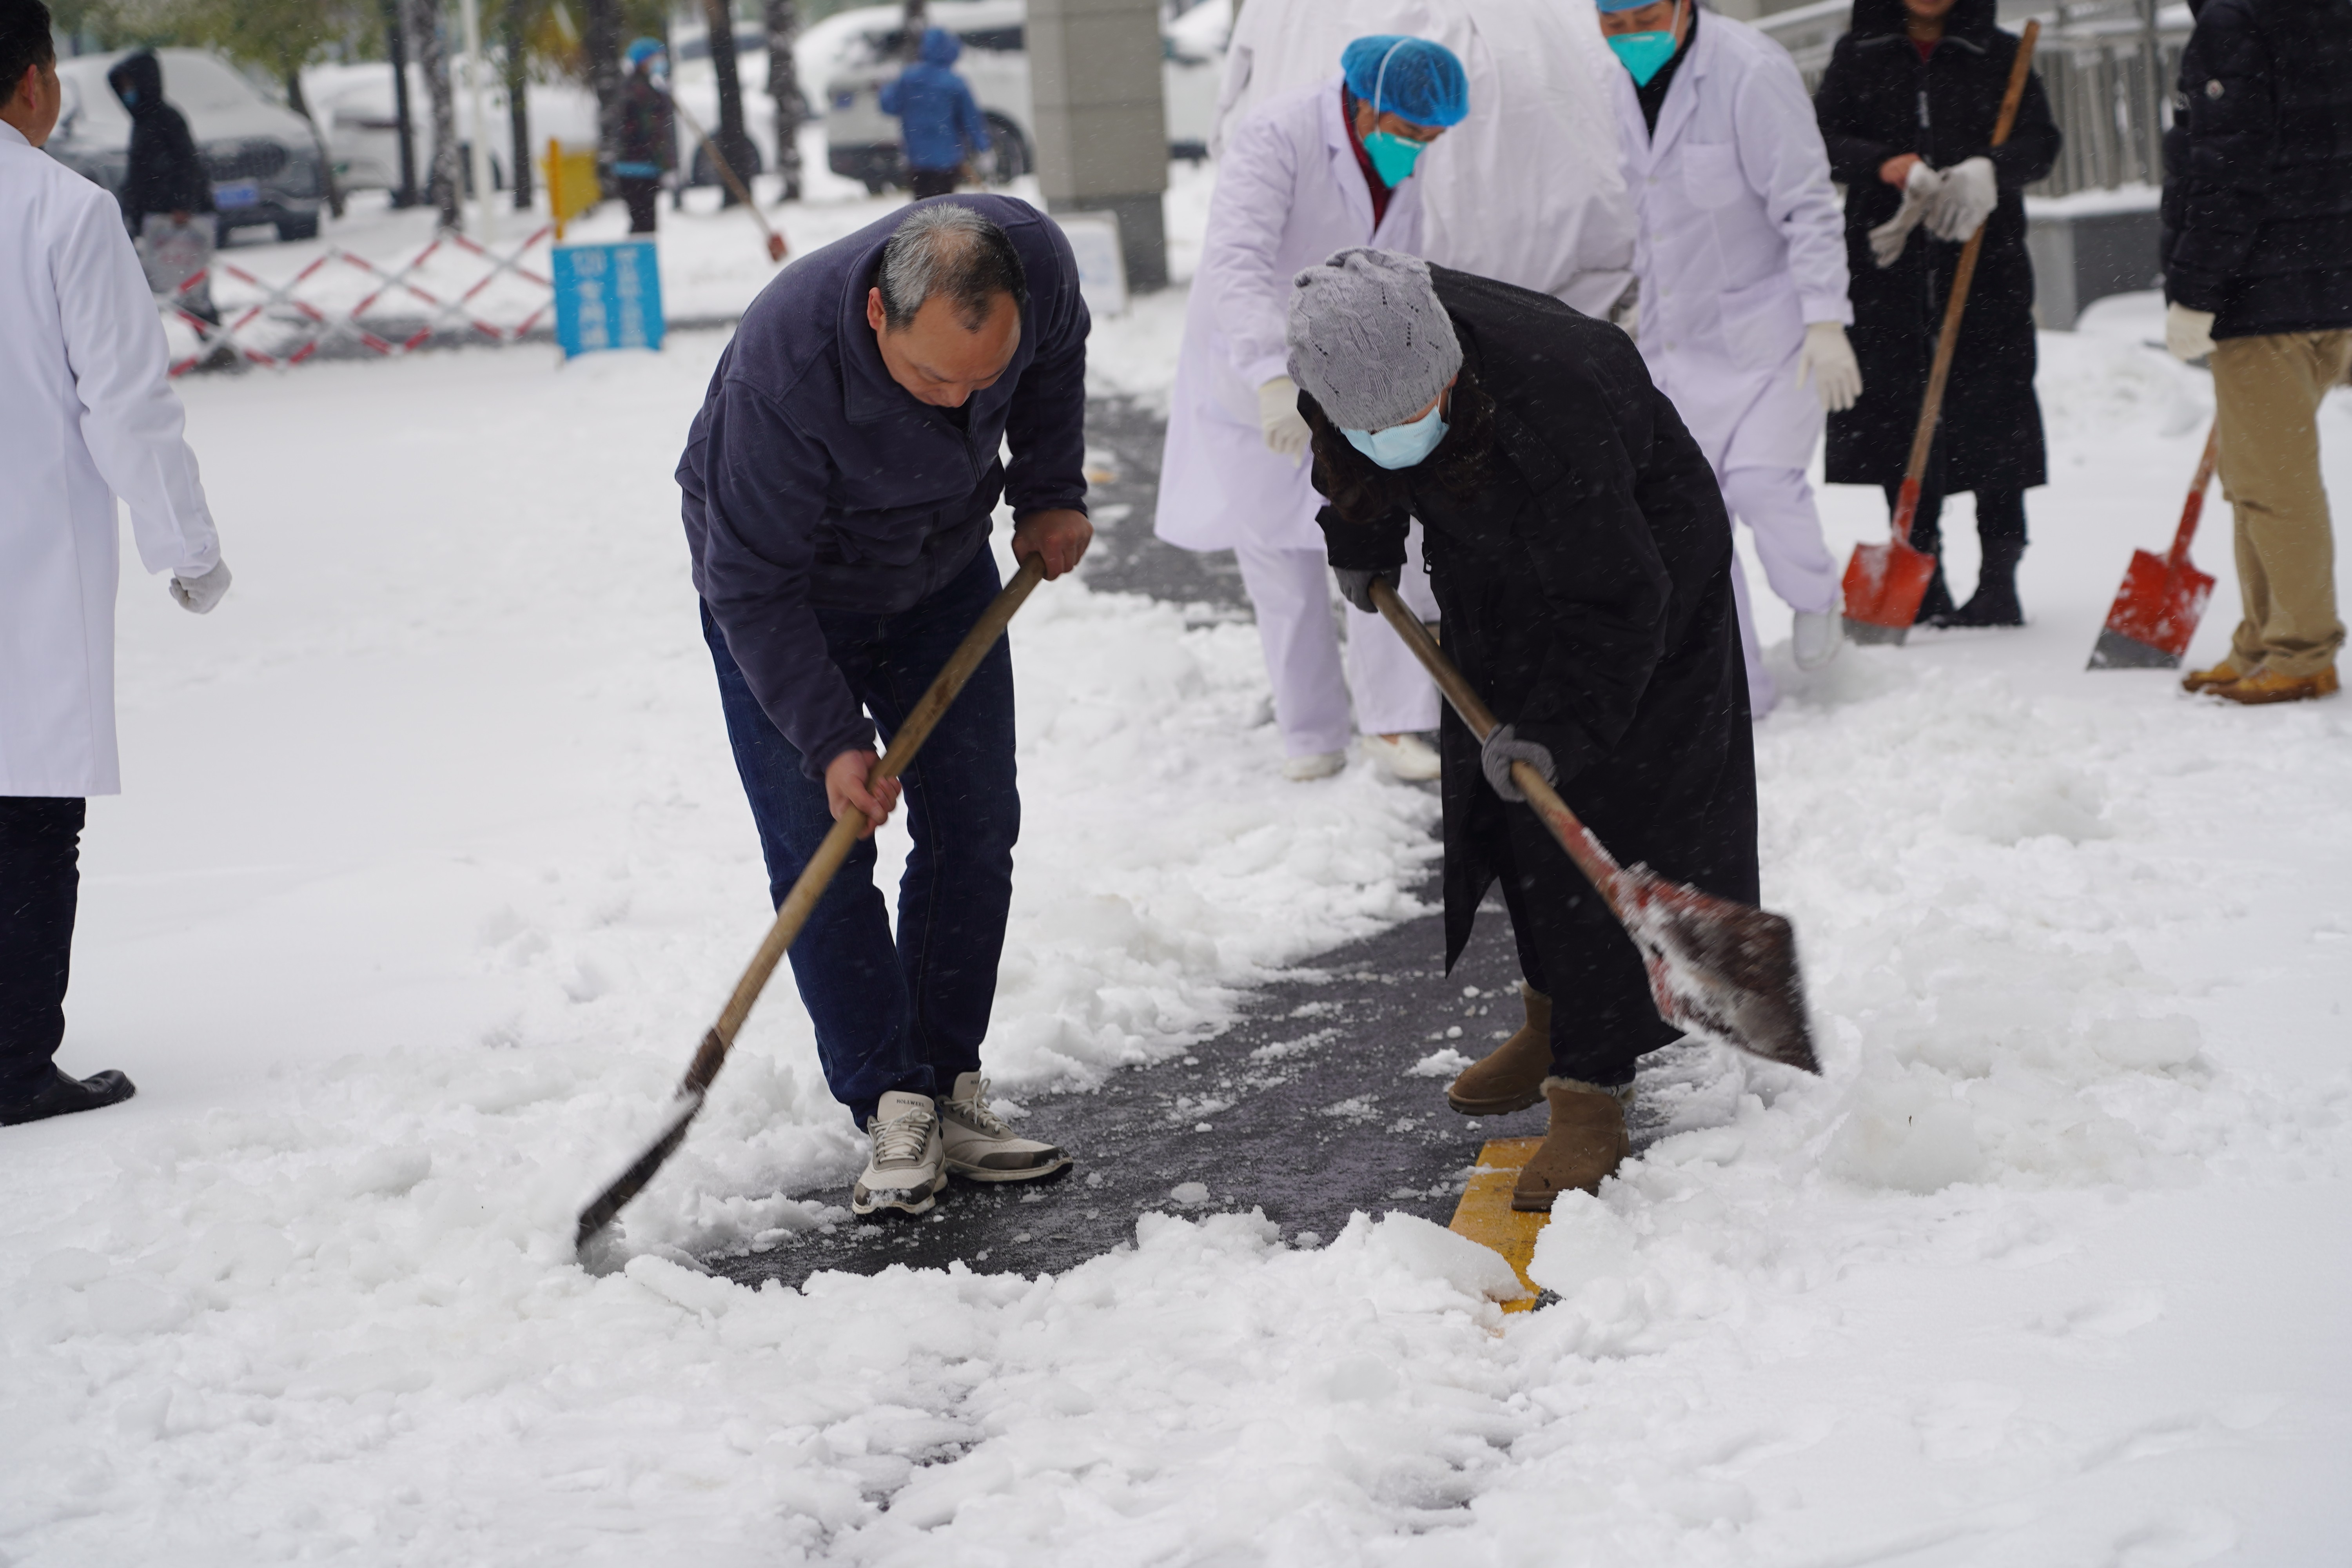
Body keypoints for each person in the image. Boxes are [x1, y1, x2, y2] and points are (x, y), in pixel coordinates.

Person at [1289, 248, 1757, 1210]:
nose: (1389, 436)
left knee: (1601, 797)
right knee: (1501, 800)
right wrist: (1365, 536)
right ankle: (1553, 1015)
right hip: (1490, 547)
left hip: (1640, 577)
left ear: (1449, 369)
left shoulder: (1560, 390)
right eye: (1370, 428)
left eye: (1407, 418)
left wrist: (1564, 725)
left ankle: (1593, 1086)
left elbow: (1622, 600)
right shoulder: (1344, 349)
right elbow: (1345, 455)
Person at [677, 198, 1088, 1218]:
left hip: (941, 569)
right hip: (788, 597)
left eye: (977, 380)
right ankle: (889, 1099)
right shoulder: (787, 374)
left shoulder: (1035, 264)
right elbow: (751, 591)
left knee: (976, 818)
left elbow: (1055, 366)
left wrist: (1047, 488)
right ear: (876, 315)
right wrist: (831, 740)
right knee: (822, 844)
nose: (958, 404)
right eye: (931, 379)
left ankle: (948, 1085)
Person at [2, 0, 232, 1128]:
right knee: (32, 809)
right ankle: (12, 1059)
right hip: (27, 558)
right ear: (37, 83)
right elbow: (126, 401)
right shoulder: (60, 210)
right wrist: (185, 547)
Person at [1156, 36, 1468, 782]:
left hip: (1353, 373)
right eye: (1411, 134)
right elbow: (1238, 262)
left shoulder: (1399, 155)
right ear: (1366, 106)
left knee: (1377, 531)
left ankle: (1394, 725)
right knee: (1280, 557)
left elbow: (1400, 265)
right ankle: (1312, 733)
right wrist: (1270, 375)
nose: (1418, 151)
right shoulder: (1278, 135)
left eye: (1432, 140)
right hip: (1251, 372)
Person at [1599, 0, 1859, 715]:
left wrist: (1826, 319)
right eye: (1612, 23)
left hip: (1776, 332)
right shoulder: (1613, 84)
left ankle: (1814, 596)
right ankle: (1738, 685)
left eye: (1642, 17)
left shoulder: (1749, 70)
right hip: (1677, 344)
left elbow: (1807, 206)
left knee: (1760, 486)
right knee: (1690, 518)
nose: (1630, 38)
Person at [1813, 0, 2059, 627]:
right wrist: (1884, 164)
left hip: (1985, 263)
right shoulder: (1859, 54)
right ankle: (1923, 575)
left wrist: (1989, 169)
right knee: (1899, 419)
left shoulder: (2002, 54)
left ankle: (1999, 579)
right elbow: (1823, 141)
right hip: (1885, 270)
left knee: (1995, 419)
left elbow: (2041, 144)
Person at [2164, 0, 2352, 705]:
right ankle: (2264, 639)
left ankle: (2300, 651)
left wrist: (2195, 290)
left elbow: (2225, 172)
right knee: (2253, 475)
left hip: (2267, 288)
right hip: (2330, 280)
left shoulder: (2237, 23)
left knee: (2273, 487)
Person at [104, 49, 218, 328]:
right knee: (168, 283)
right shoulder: (141, 122)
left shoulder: (166, 118)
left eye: (131, 84)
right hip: (153, 215)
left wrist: (182, 203)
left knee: (188, 285)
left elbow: (186, 163)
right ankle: (210, 341)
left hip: (174, 216)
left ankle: (214, 341)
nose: (127, 92)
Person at [879, 28, 989, 201]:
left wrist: (886, 86)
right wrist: (982, 147)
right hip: (948, 159)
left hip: (917, 158)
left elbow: (889, 106)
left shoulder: (909, 78)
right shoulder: (954, 82)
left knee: (921, 208)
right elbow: (971, 119)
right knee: (945, 207)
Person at [614, 38, 674, 234]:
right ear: (645, 61)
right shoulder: (640, 90)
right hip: (637, 168)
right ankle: (638, 263)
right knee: (644, 225)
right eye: (657, 58)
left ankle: (639, 261)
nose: (660, 62)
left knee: (642, 224)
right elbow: (650, 130)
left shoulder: (640, 87)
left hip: (637, 167)